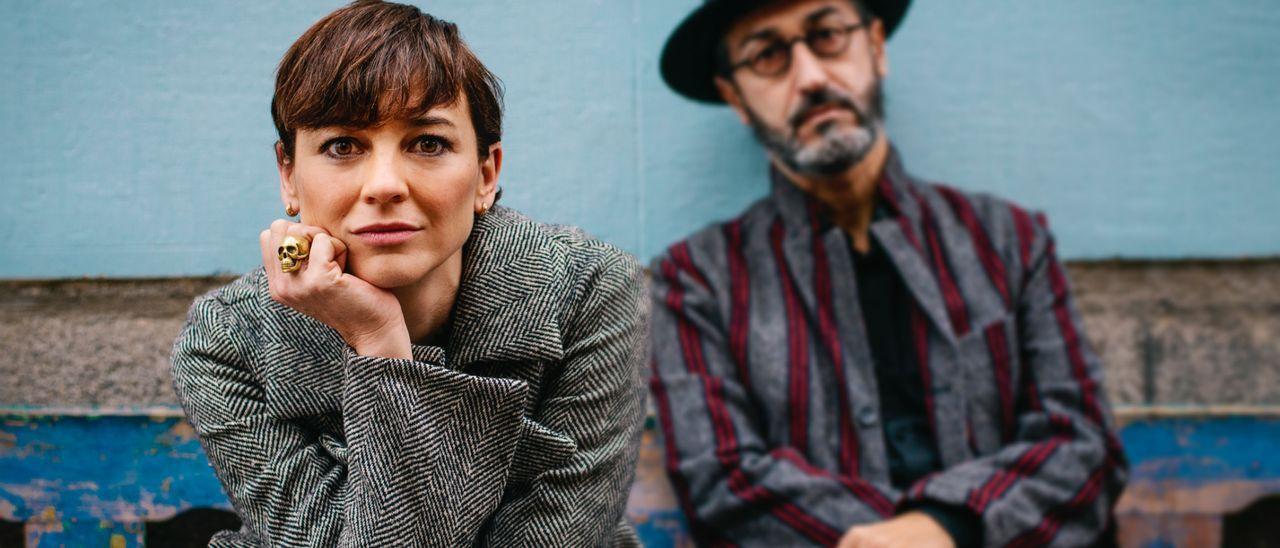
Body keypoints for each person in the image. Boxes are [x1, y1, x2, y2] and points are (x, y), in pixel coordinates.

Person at [648, 1, 1128, 546]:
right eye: (768, 56)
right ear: (735, 97)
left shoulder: (1011, 240)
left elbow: (1084, 445)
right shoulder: (696, 280)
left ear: (875, 46)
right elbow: (721, 480)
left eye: (827, 35)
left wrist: (946, 529)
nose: (809, 77)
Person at [170, 1, 646, 545]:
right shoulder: (226, 343)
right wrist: (378, 344)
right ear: (290, 177)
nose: (385, 185)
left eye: (428, 144)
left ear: (486, 175)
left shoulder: (592, 291)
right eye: (342, 146)